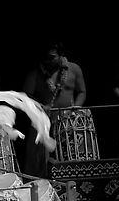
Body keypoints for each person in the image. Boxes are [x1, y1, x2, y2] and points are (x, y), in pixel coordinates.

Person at [22, 41, 88, 177]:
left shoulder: (74, 69)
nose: (48, 61)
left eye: (52, 57)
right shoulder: (36, 73)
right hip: (45, 119)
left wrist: (76, 107)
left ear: (61, 55)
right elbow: (25, 97)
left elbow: (82, 91)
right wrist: (40, 107)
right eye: (46, 57)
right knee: (40, 163)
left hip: (69, 120)